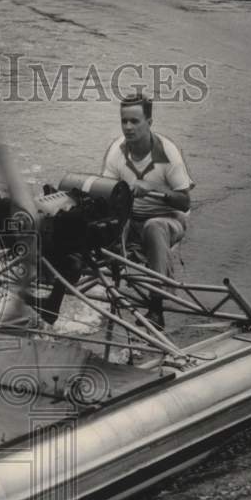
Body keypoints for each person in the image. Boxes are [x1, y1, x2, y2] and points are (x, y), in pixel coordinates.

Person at [101, 93, 195, 328]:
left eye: (135, 121)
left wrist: (153, 188)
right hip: (131, 218)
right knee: (101, 223)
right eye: (124, 121)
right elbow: (107, 195)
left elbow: (185, 202)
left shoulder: (168, 152)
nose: (128, 127)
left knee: (153, 227)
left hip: (168, 219)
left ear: (149, 123)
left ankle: (156, 308)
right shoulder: (116, 151)